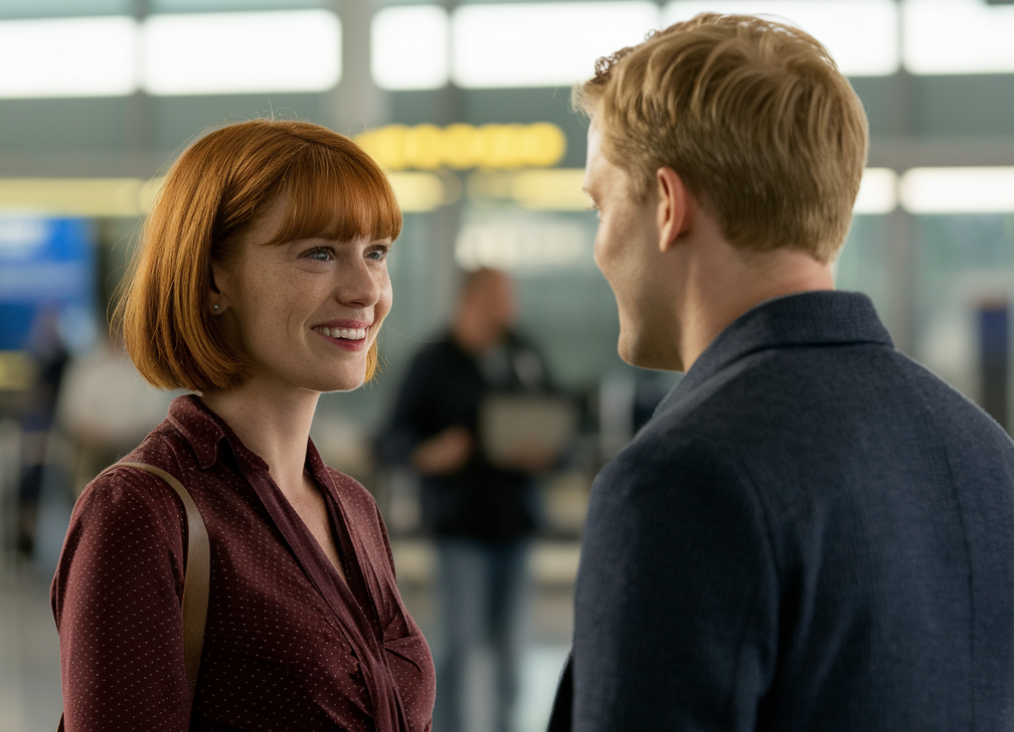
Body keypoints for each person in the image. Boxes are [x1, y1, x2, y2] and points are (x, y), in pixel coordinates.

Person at [549, 13, 1014, 731]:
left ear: (667, 207)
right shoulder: (985, 455)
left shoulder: (682, 480)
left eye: (601, 203)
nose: (599, 248)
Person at [50, 119, 435, 732]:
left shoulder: (351, 506)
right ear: (212, 279)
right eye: (318, 252)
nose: (367, 289)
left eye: (376, 252)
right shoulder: (140, 511)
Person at [381, 268, 554, 732]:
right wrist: (430, 454)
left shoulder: (522, 355)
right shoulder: (433, 364)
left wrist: (546, 452)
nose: (510, 309)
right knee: (459, 645)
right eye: (501, 298)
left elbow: (560, 422)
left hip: (514, 524)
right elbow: (390, 441)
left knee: (512, 648)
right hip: (460, 528)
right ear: (471, 301)